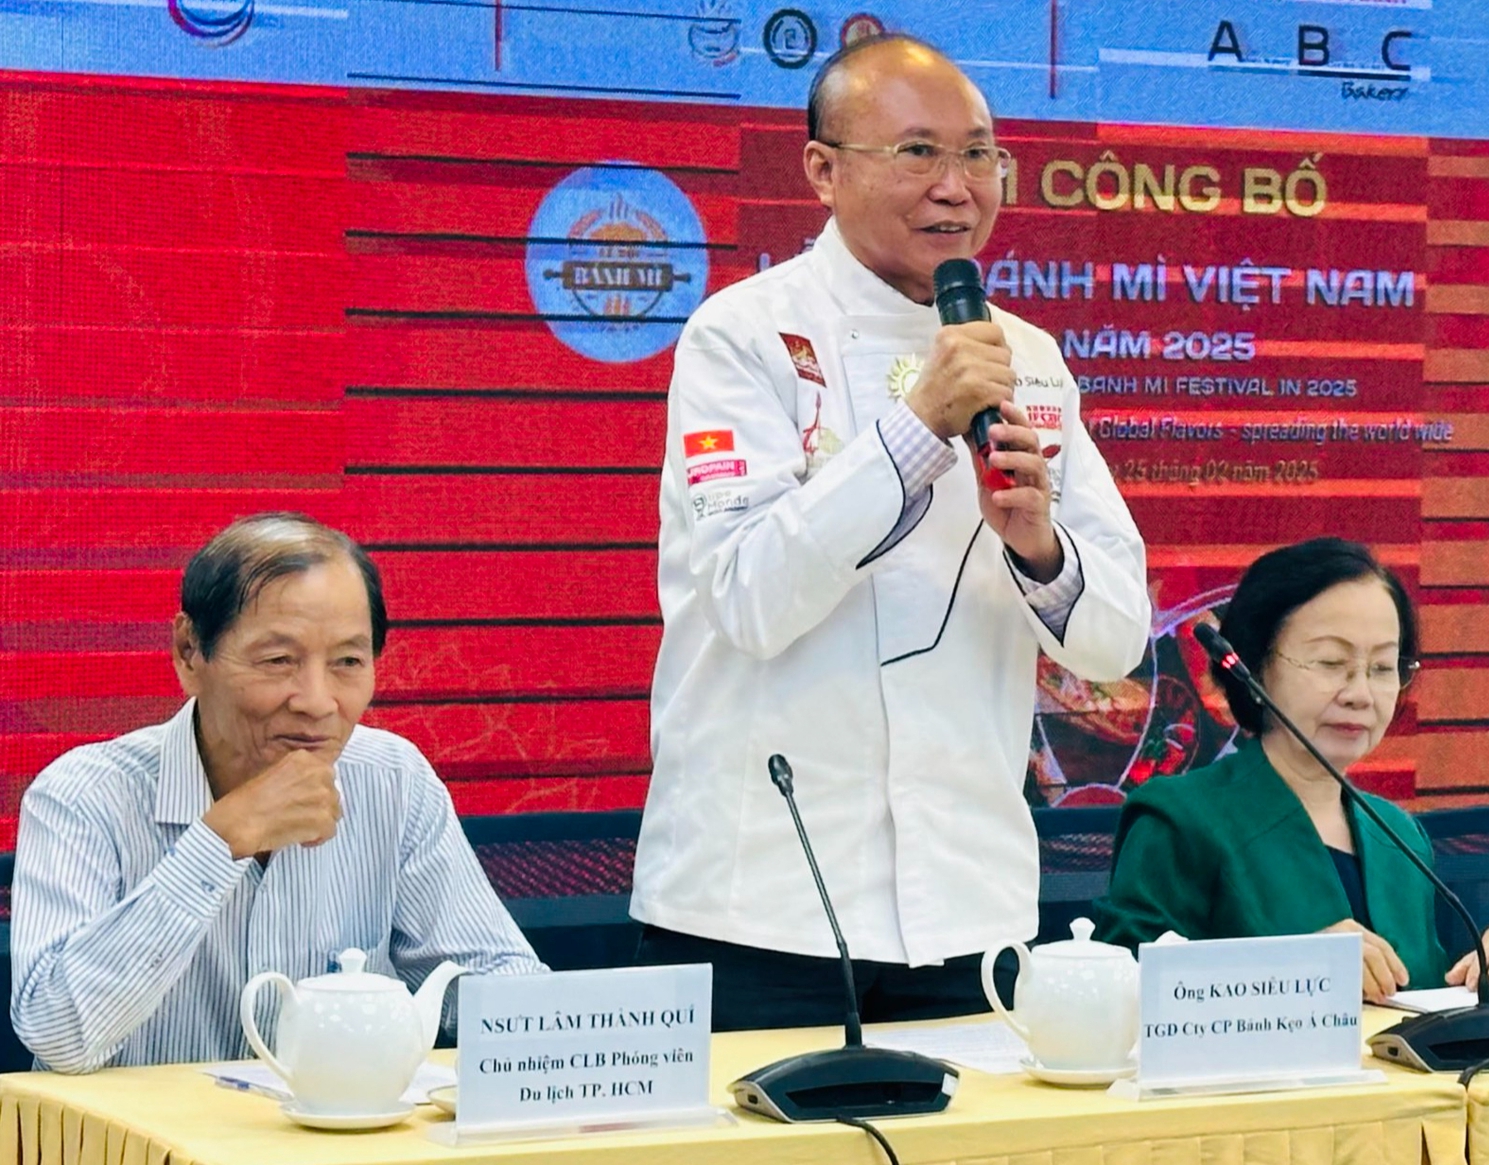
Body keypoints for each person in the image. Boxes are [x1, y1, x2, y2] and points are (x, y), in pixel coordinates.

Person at [631, 34, 1150, 1029]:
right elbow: (746, 595)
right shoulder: (741, 335)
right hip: (759, 904)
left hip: (972, 906)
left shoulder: (1027, 358)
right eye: (916, 153)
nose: (957, 187)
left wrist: (1038, 545)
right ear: (821, 170)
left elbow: (1115, 641)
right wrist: (915, 433)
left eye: (979, 155)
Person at [10, 514, 544, 1074]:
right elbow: (60, 1037)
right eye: (279, 661)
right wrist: (220, 842)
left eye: (347, 662)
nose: (317, 701)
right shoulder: (84, 794)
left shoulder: (393, 779)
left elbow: (498, 983)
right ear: (190, 652)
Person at [1096, 540, 1489, 1002]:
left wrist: (1488, 973)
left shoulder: (1398, 835)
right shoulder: (1179, 819)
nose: (1360, 693)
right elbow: (1121, 989)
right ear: (1254, 666)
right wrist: (1293, 971)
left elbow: (1421, 1002)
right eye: (1332, 663)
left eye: (1381, 667)